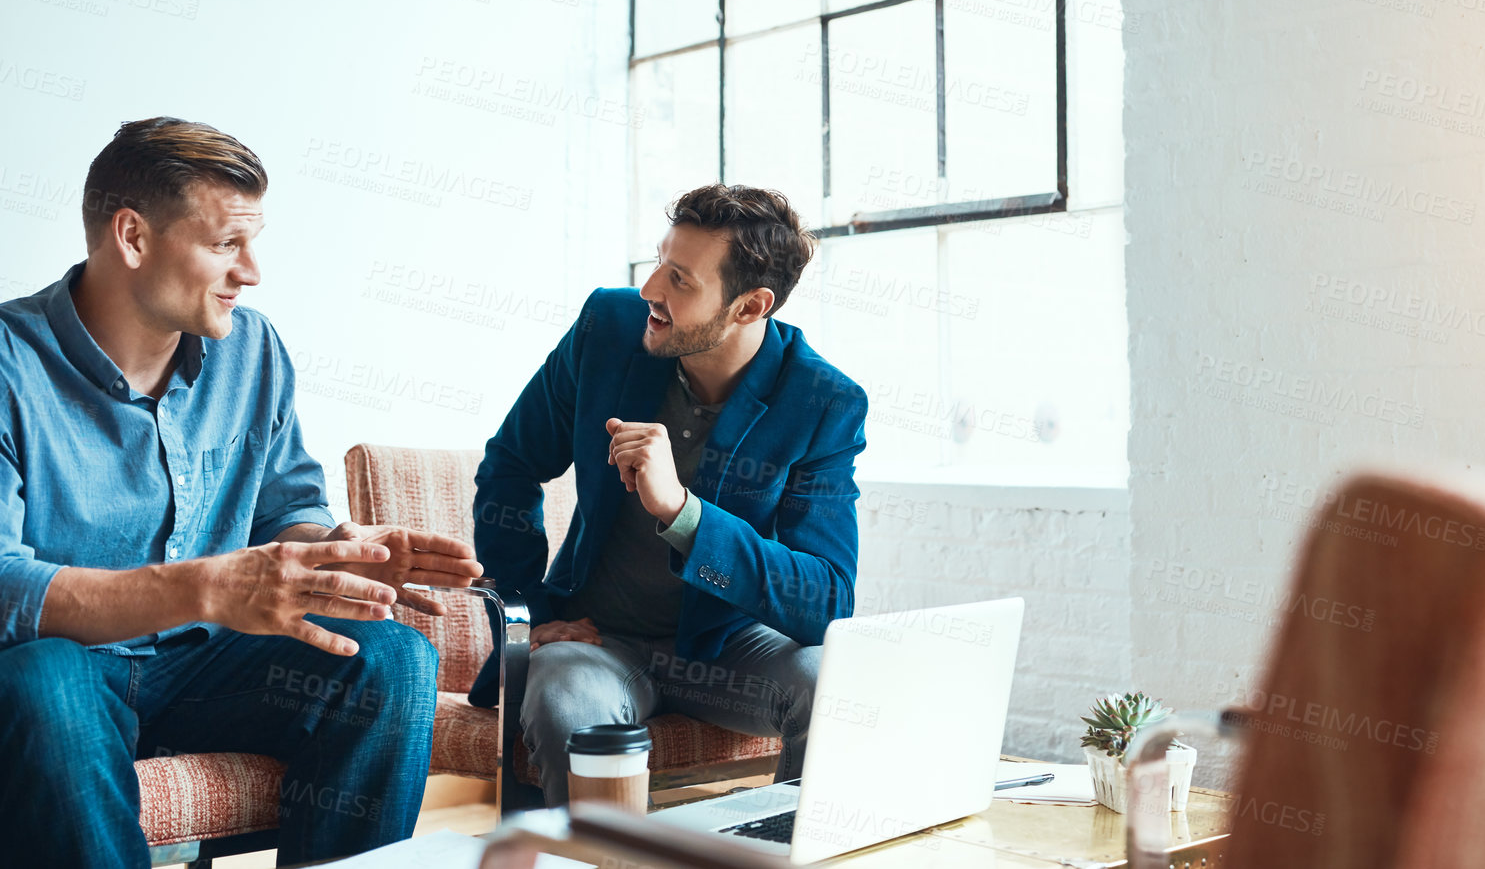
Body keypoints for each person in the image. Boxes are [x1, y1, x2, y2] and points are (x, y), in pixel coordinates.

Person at [0, 118, 482, 868]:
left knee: (390, 658)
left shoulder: (251, 350)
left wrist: (336, 553)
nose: (251, 271)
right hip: (66, 667)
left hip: (204, 670)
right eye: (227, 244)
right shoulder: (9, 365)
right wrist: (200, 587)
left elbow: (285, 508)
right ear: (133, 236)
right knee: (43, 680)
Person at [470, 183, 869, 805]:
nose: (652, 289)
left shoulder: (821, 402)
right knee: (570, 707)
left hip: (731, 645)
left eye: (681, 279)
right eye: (660, 261)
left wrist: (684, 514)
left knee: (838, 686)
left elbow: (825, 599)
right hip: (599, 638)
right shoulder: (609, 328)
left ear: (750, 305)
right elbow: (510, 465)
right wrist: (536, 610)